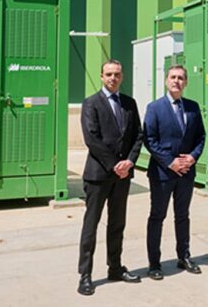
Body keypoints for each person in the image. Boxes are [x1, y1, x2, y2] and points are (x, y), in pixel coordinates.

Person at [77, 59, 144, 296]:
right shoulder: (91, 103)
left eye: (117, 74)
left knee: (117, 224)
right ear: (101, 76)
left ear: (122, 77)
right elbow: (91, 138)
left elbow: (138, 134)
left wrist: (130, 161)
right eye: (108, 74)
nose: (113, 78)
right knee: (91, 226)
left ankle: (115, 267)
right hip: (99, 175)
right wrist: (115, 164)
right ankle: (85, 274)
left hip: (123, 176)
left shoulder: (129, 103)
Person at [143, 64, 205, 280]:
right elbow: (149, 140)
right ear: (166, 80)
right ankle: (154, 263)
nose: (176, 81)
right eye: (173, 77)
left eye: (180, 78)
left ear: (186, 82)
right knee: (157, 216)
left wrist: (192, 157)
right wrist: (171, 163)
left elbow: (201, 137)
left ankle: (183, 256)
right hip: (162, 173)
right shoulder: (154, 108)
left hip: (186, 172)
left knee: (183, 216)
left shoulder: (193, 107)